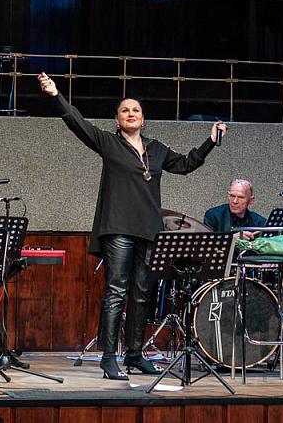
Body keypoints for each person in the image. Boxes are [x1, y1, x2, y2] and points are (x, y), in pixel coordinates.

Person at [37, 72, 226, 380]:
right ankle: (109, 357)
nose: (131, 114)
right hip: (119, 228)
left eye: (135, 110)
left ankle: (135, 355)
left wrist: (210, 142)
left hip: (149, 230)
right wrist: (55, 94)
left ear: (142, 118)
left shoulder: (156, 149)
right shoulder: (108, 143)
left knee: (141, 294)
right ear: (117, 118)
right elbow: (76, 122)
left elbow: (186, 165)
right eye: (125, 110)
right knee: (115, 291)